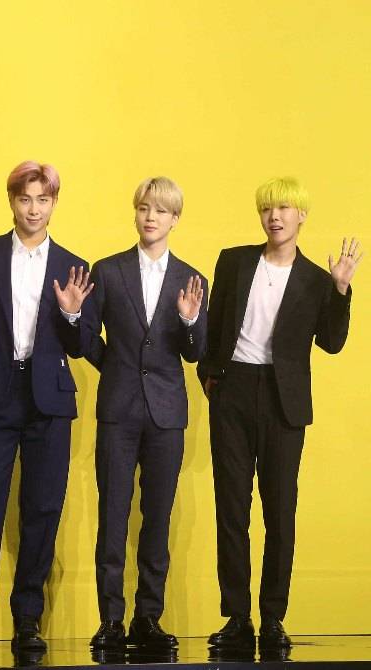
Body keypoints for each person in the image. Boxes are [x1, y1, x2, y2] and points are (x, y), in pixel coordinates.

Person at [199, 177, 360, 651]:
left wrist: (341, 289)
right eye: (269, 208)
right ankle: (237, 616)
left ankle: (272, 616)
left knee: (280, 512)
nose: (276, 216)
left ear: (301, 216)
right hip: (233, 390)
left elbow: (331, 342)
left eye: (285, 208)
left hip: (284, 400)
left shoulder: (315, 279)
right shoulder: (233, 261)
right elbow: (214, 321)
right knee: (231, 508)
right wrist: (210, 376)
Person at [0, 160, 92, 653]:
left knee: (42, 511)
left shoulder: (75, 265)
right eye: (25, 199)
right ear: (12, 201)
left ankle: (28, 617)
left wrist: (72, 311)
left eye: (43, 200)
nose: (34, 209)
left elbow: (82, 344)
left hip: (48, 402)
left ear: (54, 203)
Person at [83, 177, 206, 651]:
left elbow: (197, 353)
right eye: (143, 208)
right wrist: (76, 319)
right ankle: (111, 619)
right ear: (134, 213)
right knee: (112, 516)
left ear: (175, 219)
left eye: (161, 210)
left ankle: (147, 617)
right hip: (118, 409)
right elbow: (87, 339)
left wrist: (192, 320)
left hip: (167, 415)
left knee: (157, 519)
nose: (150, 217)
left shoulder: (192, 279)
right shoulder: (108, 271)